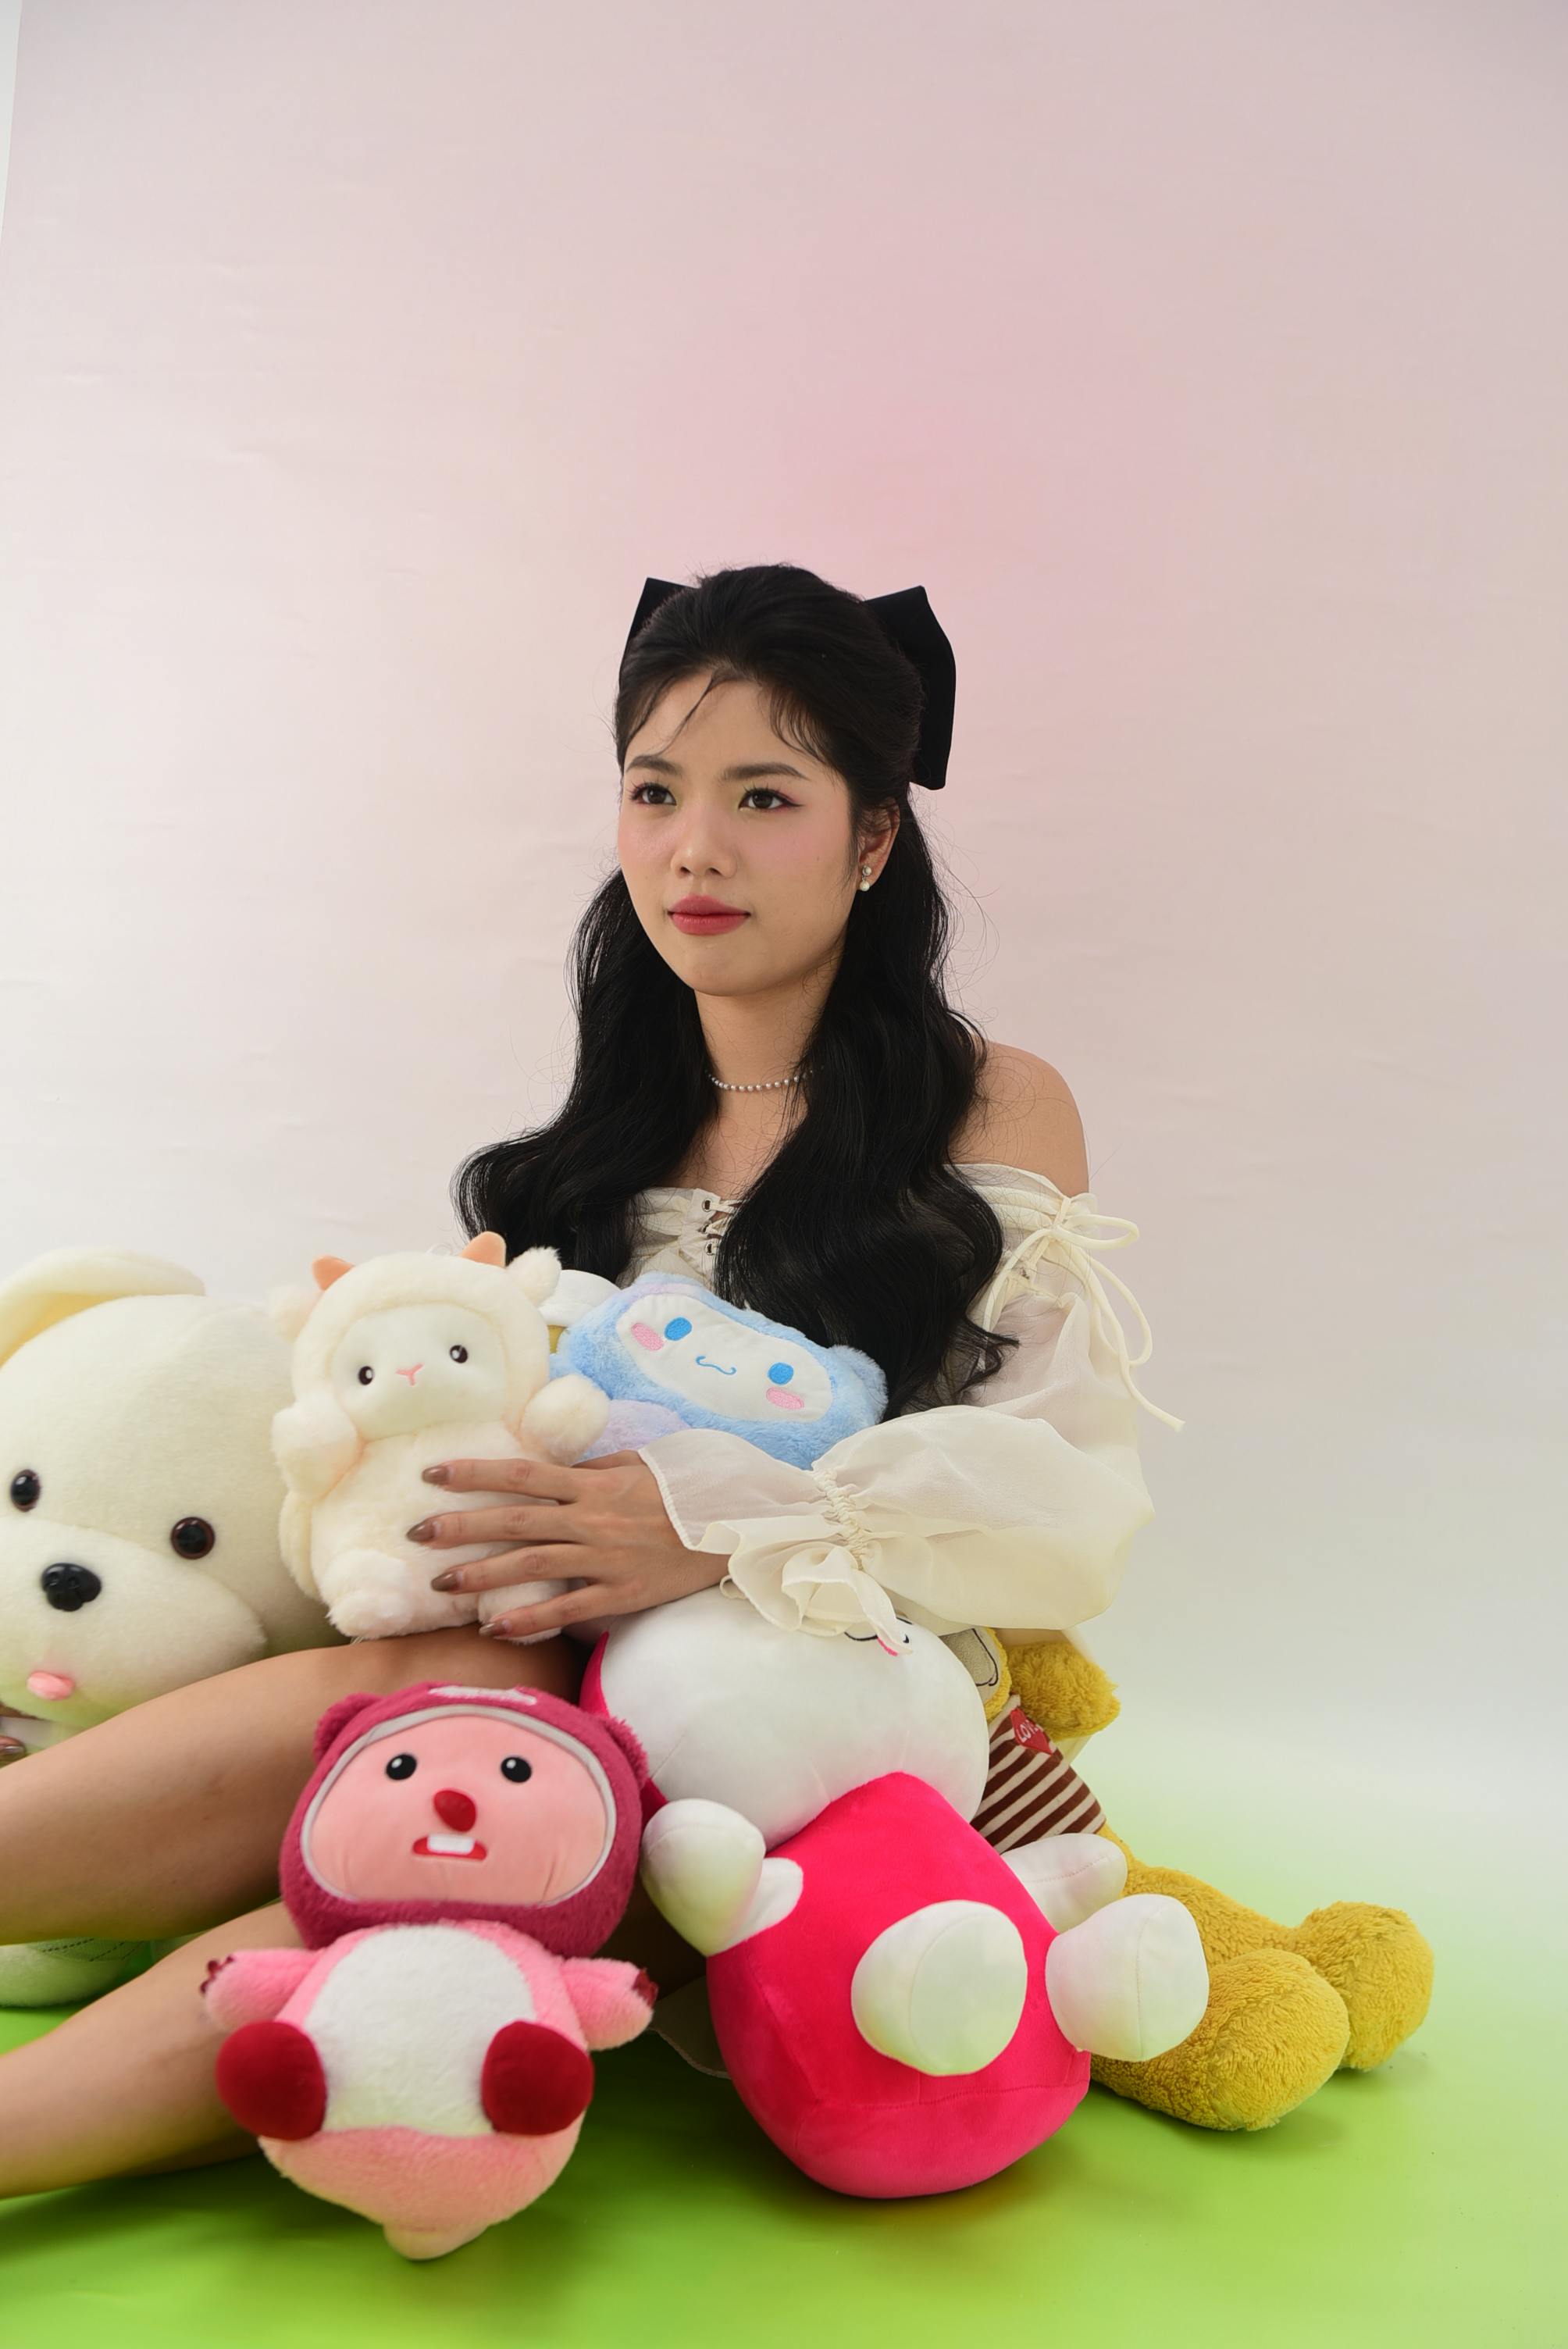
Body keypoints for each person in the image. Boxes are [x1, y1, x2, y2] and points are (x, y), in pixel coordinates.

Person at [0, 562, 1179, 2199]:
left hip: (827, 1724)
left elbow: (1058, 1495)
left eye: (763, 795)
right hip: (523, 1675)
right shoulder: (581, 1161)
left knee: (490, 1760)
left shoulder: (984, 1106)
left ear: (870, 837)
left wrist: (709, 1526)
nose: (691, 848)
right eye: (653, 791)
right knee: (445, 1705)